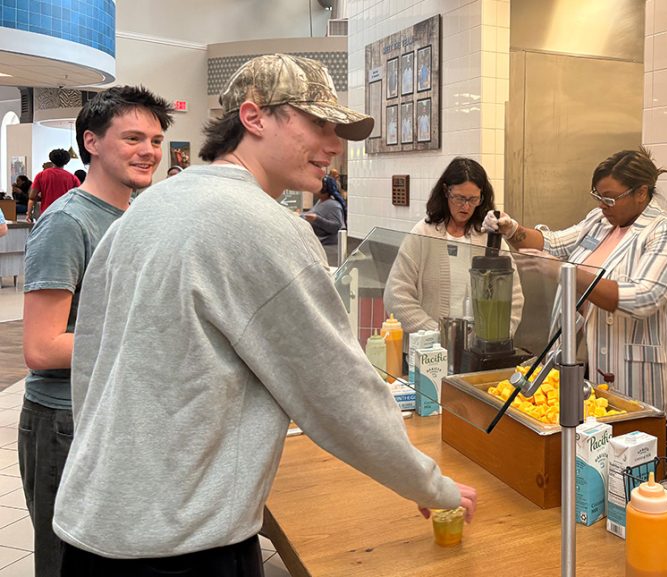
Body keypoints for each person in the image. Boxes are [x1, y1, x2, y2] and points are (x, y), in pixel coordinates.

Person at [52, 54, 476, 575]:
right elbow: (338, 392)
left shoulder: (147, 208)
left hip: (96, 524)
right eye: (317, 123)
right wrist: (431, 484)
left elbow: (91, 360)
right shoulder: (262, 224)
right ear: (253, 118)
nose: (333, 144)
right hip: (182, 548)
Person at [20, 86, 174, 577]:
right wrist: (150, 337)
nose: (148, 151)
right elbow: (41, 347)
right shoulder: (68, 222)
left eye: (154, 139)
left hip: (114, 411)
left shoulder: (135, 215)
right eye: (132, 138)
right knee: (67, 563)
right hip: (66, 420)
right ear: (92, 141)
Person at [484, 148, 667, 421]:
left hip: (635, 374)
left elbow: (644, 298)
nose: (603, 205)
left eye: (611, 198)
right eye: (598, 196)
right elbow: (552, 244)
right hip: (582, 360)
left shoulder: (663, 232)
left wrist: (565, 272)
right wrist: (512, 229)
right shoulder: (600, 221)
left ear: (641, 193)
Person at [385, 157, 524, 337]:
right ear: (445, 192)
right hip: (429, 350)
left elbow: (514, 297)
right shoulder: (423, 234)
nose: (466, 206)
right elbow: (396, 298)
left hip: (479, 349)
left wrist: (494, 336)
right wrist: (440, 335)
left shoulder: (489, 239)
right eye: (459, 198)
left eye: (473, 199)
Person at [302, 175, 347, 265]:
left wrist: (317, 219)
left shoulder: (333, 205)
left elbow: (336, 226)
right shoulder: (320, 202)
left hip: (329, 249)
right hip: (320, 246)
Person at [27, 149, 80, 222]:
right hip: (66, 214)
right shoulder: (73, 178)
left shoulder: (41, 175)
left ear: (51, 160)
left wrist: (29, 214)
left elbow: (32, 198)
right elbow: (78, 199)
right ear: (66, 162)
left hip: (46, 214)